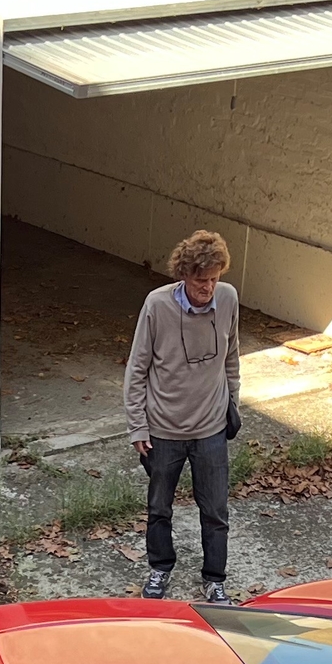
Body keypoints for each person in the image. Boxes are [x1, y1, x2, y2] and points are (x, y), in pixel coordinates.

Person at [123, 229, 241, 602]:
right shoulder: (157, 305)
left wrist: (232, 404)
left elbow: (232, 357)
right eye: (200, 280)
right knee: (159, 507)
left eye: (214, 278)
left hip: (210, 428)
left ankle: (214, 578)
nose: (208, 287)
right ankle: (159, 569)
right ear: (184, 276)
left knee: (216, 509)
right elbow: (137, 368)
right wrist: (137, 424)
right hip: (164, 429)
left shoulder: (228, 298)